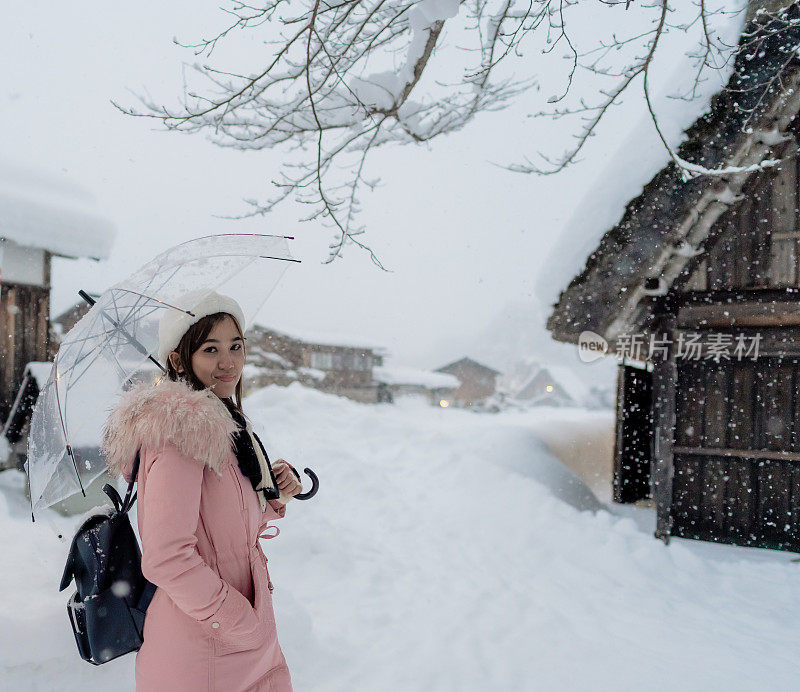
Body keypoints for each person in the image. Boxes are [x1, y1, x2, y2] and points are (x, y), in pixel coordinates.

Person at [101, 291, 302, 692]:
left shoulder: (219, 425)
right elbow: (167, 557)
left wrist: (275, 495)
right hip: (203, 654)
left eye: (236, 346)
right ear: (179, 359)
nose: (229, 362)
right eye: (211, 349)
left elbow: (224, 529)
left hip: (240, 645)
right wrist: (241, 623)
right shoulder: (178, 434)